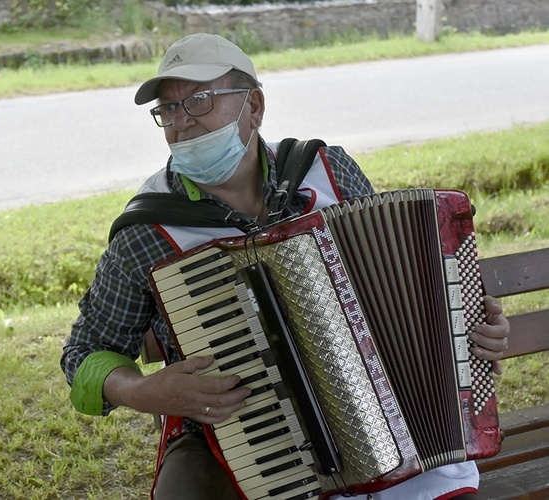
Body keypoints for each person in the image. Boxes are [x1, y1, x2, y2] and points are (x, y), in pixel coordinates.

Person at [61, 33, 510, 500]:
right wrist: (145, 392)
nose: (182, 123)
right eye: (169, 110)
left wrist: (467, 327)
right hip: (233, 433)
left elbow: (400, 285)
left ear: (253, 105)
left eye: (199, 100)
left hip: (379, 411)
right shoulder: (148, 230)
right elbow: (84, 355)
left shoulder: (327, 171)